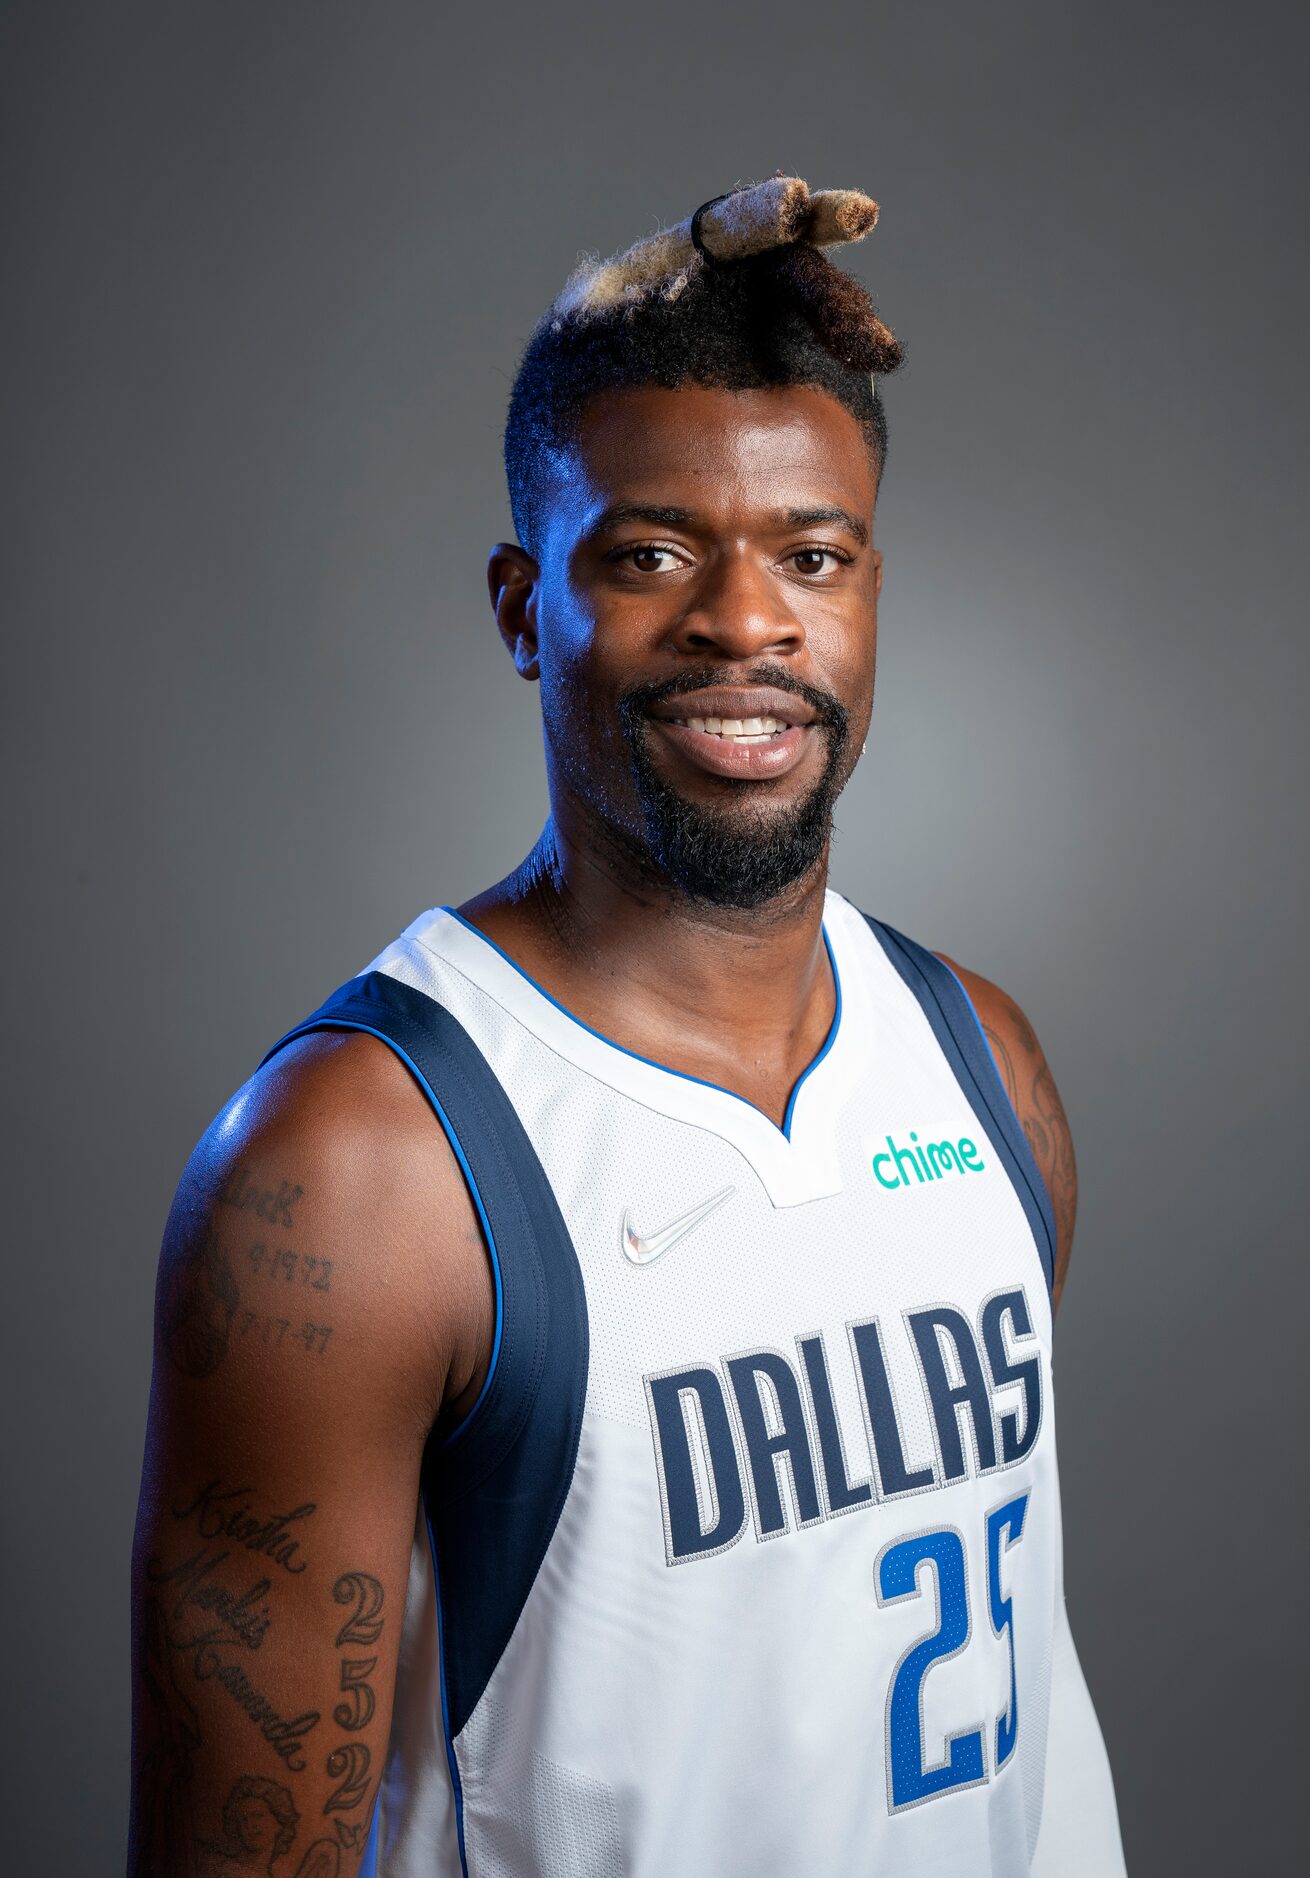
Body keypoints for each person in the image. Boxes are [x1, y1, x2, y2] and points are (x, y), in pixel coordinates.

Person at [129, 173, 1127, 1877]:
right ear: (527, 610)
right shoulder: (363, 1175)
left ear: (870, 594)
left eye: (811, 555)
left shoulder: (980, 1061)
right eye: (654, 554)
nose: (748, 621)